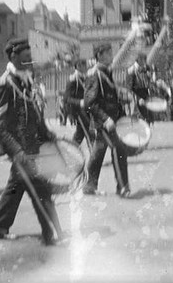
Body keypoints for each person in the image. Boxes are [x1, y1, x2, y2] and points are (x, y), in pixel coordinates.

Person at [0, 38, 63, 246]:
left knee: (16, 186)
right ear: (13, 56)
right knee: (41, 189)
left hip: (32, 148)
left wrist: (46, 133)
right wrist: (15, 149)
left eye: (31, 56)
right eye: (25, 56)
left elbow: (34, 114)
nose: (30, 60)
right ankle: (52, 232)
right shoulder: (4, 84)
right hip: (22, 151)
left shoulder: (26, 80)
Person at [82, 43, 131, 198]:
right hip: (104, 122)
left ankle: (89, 185)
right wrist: (105, 119)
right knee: (119, 149)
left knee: (98, 151)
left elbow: (111, 99)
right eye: (109, 53)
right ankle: (122, 187)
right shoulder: (94, 74)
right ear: (100, 55)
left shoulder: (105, 72)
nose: (112, 55)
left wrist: (122, 114)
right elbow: (90, 102)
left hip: (110, 121)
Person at [64, 59, 94, 148]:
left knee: (79, 134)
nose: (85, 67)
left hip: (86, 110)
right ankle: (95, 156)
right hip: (77, 110)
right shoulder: (73, 79)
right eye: (82, 65)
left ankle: (71, 152)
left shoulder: (85, 78)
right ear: (77, 67)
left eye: (85, 65)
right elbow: (67, 98)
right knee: (89, 131)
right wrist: (80, 102)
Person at [126, 52, 154, 124]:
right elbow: (129, 87)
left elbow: (149, 82)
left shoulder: (145, 69)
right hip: (137, 94)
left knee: (149, 115)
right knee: (141, 114)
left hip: (145, 92)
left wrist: (149, 77)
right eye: (143, 59)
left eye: (145, 59)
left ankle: (148, 125)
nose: (144, 61)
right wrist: (136, 98)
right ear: (137, 59)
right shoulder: (131, 70)